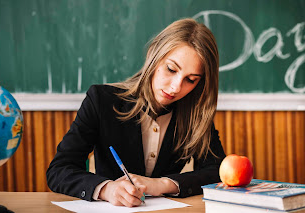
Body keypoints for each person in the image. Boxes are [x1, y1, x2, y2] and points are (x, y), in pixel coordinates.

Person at [46, 18, 226, 207]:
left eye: (191, 79)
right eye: (171, 69)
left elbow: (216, 172)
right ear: (153, 55)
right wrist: (107, 189)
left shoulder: (195, 114)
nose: (175, 87)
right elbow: (59, 169)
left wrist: (162, 184)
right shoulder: (101, 101)